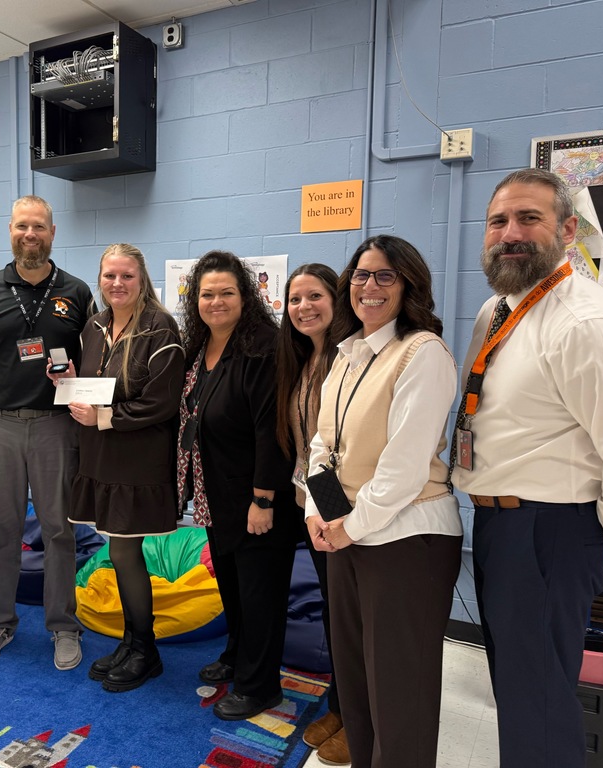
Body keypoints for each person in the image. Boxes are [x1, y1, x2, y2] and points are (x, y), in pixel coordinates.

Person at [451, 168, 603, 767]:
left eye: (529, 219)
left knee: (537, 701)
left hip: (550, 531)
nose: (510, 233)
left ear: (567, 230)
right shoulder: (499, 309)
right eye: (498, 221)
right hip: (503, 527)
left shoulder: (584, 321)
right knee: (520, 691)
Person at [306, 235, 462, 768]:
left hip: (408, 538)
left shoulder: (424, 353)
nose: (369, 286)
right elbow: (323, 444)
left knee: (401, 692)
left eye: (385, 276)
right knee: (356, 682)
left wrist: (347, 527)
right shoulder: (347, 355)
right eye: (361, 275)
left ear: (408, 285)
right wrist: (321, 513)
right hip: (349, 534)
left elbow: (404, 466)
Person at [0, 195, 94, 671]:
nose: (29, 234)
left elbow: (91, 361)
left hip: (56, 427)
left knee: (60, 530)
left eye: (38, 226)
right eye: (21, 226)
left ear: (52, 232)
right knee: (3, 531)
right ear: (9, 230)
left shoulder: (76, 292)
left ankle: (63, 626)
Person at [51, 243, 185, 692]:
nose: (117, 284)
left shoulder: (161, 328)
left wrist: (104, 417)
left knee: (125, 552)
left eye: (126, 275)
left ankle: (145, 650)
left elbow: (163, 403)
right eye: (110, 275)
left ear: (142, 278)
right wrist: (68, 384)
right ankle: (132, 642)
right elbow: (97, 388)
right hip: (100, 455)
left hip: (139, 458)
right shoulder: (94, 325)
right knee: (118, 550)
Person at [176, 250, 301, 721]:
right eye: (207, 294)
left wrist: (262, 498)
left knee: (260, 594)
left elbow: (272, 429)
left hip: (256, 498)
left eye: (227, 292)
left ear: (245, 296)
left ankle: (259, 686)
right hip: (216, 496)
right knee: (232, 586)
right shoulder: (201, 345)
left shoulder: (262, 347)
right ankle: (236, 655)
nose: (216, 301)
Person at [273, 263, 349, 765]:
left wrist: (328, 510)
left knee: (349, 616)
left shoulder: (347, 357)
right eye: (295, 299)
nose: (304, 307)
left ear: (335, 298)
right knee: (335, 612)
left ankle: (355, 714)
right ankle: (340, 704)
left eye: (315, 296)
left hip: (340, 509)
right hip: (309, 504)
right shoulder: (302, 359)